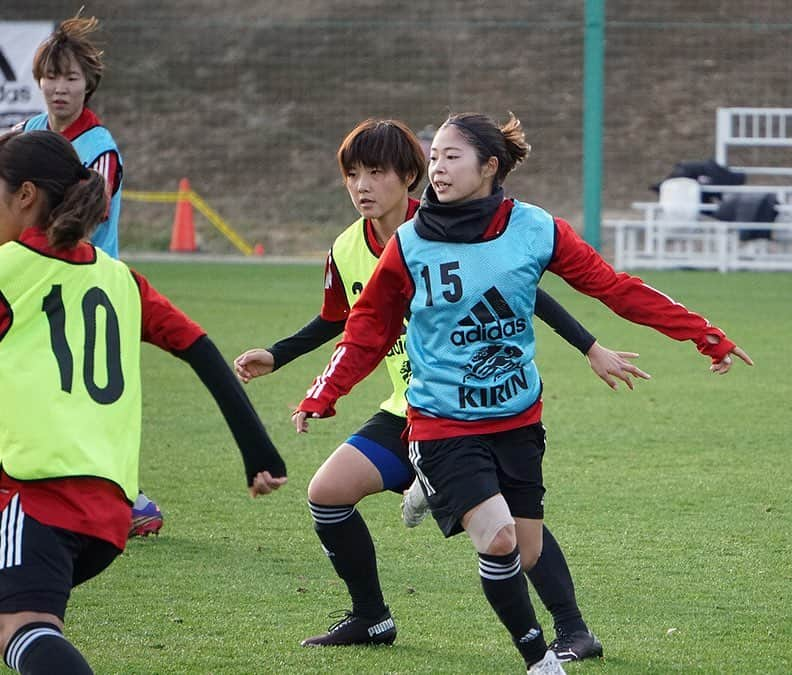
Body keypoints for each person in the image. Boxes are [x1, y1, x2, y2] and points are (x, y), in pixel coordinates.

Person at [293, 112, 753, 674]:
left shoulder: (536, 229)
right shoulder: (410, 245)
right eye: (433, 156)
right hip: (441, 423)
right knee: (498, 536)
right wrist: (324, 392)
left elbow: (616, 289)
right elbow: (366, 330)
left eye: (451, 156)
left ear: (490, 166)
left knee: (526, 550)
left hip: (517, 420)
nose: (437, 167)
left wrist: (703, 334)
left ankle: (434, 500)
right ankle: (539, 661)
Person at [235, 118, 645, 657]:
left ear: (409, 177)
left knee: (516, 532)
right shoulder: (344, 249)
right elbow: (345, 319)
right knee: (327, 494)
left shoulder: (445, 224)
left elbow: (522, 289)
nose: (361, 185)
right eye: (352, 174)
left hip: (468, 408)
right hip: (405, 408)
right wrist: (279, 354)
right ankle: (371, 617)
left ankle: (573, 631)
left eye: (375, 173)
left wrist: (589, 345)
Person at [0, 129, 288, 674]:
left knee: (22, 629)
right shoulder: (121, 281)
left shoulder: (10, 272)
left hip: (33, 495)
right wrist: (259, 451)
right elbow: (200, 349)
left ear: (25, 196)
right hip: (109, 513)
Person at [20, 15, 164, 537]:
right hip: (36, 287)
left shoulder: (98, 147)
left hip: (89, 292)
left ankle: (129, 497)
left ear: (89, 84)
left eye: (71, 78)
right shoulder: (31, 134)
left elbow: (85, 215)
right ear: (38, 80)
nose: (60, 87)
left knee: (83, 400)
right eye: (51, 76)